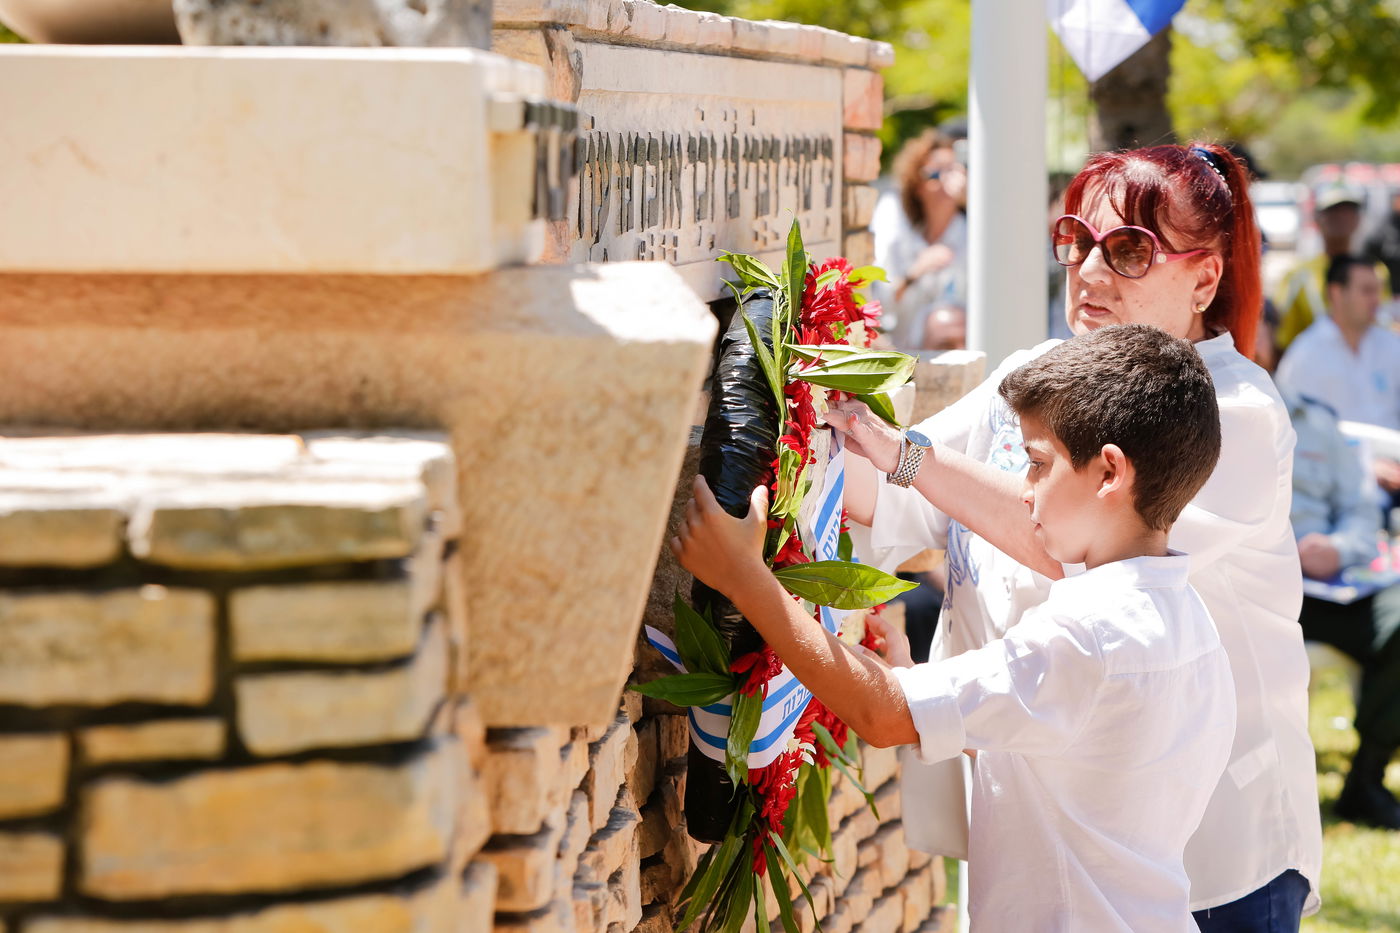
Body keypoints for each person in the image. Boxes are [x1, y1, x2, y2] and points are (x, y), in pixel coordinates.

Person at [832, 143, 1322, 930]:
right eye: (1076, 240)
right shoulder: (1037, 375)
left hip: (1214, 866)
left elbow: (1069, 545)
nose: (1090, 271)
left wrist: (906, 455)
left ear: (1205, 278)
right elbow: (892, 497)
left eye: (1128, 250)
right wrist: (798, 431)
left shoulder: (1237, 414)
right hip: (1045, 843)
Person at [671, 325, 1236, 932]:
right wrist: (922, 685)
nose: (1023, 490)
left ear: (1108, 474)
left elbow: (880, 715)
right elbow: (1064, 751)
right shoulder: (1189, 623)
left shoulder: (1086, 634)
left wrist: (743, 578)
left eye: (1038, 464)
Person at [1286, 391, 1400, 829]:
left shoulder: (1316, 420)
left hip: (1328, 585)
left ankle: (1367, 779)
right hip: (1253, 583)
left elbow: (1360, 508)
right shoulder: (1196, 408)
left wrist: (1338, 548)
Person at [1275, 256, 1400, 501]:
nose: (1376, 300)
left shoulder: (1391, 345)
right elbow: (1295, 435)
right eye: (1366, 291)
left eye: (1377, 291)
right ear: (1336, 293)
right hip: (1339, 481)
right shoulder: (1305, 355)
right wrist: (1366, 466)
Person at [873, 130, 968, 351]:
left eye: (952, 171)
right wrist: (915, 272)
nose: (947, 181)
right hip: (906, 352)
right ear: (916, 186)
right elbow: (882, 305)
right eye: (935, 174)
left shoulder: (972, 234)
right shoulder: (901, 235)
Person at [1274, 183, 1370, 349]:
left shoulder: (1375, 271)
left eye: (1348, 211)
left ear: (1358, 219)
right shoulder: (1297, 275)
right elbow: (1282, 338)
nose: (1341, 217)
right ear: (1317, 218)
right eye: (1333, 211)